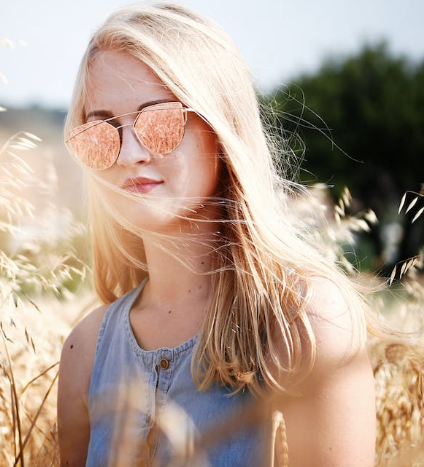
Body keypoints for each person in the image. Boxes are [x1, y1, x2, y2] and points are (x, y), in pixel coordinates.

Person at [57, 3, 376, 466]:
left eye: (160, 121)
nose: (128, 154)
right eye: (101, 131)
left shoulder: (304, 322)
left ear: (220, 128)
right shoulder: (85, 350)